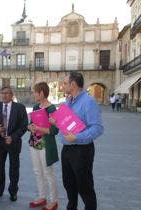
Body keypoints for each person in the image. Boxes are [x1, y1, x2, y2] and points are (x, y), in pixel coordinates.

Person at [57, 72, 103, 210]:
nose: (62, 85)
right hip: (67, 149)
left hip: (82, 150)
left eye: (65, 83)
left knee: (85, 186)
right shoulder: (67, 101)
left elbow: (97, 128)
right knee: (68, 184)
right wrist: (56, 122)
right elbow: (67, 124)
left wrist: (77, 137)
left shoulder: (88, 101)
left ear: (73, 84)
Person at [0, 86, 28, 202]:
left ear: (11, 95)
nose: (4, 95)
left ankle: (13, 192)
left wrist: (13, 137)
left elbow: (24, 126)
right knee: (0, 167)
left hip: (13, 142)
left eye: (7, 93)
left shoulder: (20, 107)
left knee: (14, 168)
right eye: (2, 93)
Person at [28, 82, 59, 210]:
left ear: (41, 93)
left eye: (35, 92)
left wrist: (39, 128)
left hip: (46, 144)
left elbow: (54, 130)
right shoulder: (35, 107)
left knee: (48, 172)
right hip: (34, 142)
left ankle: (54, 201)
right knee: (37, 171)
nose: (34, 94)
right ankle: (42, 197)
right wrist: (30, 127)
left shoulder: (52, 109)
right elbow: (30, 124)